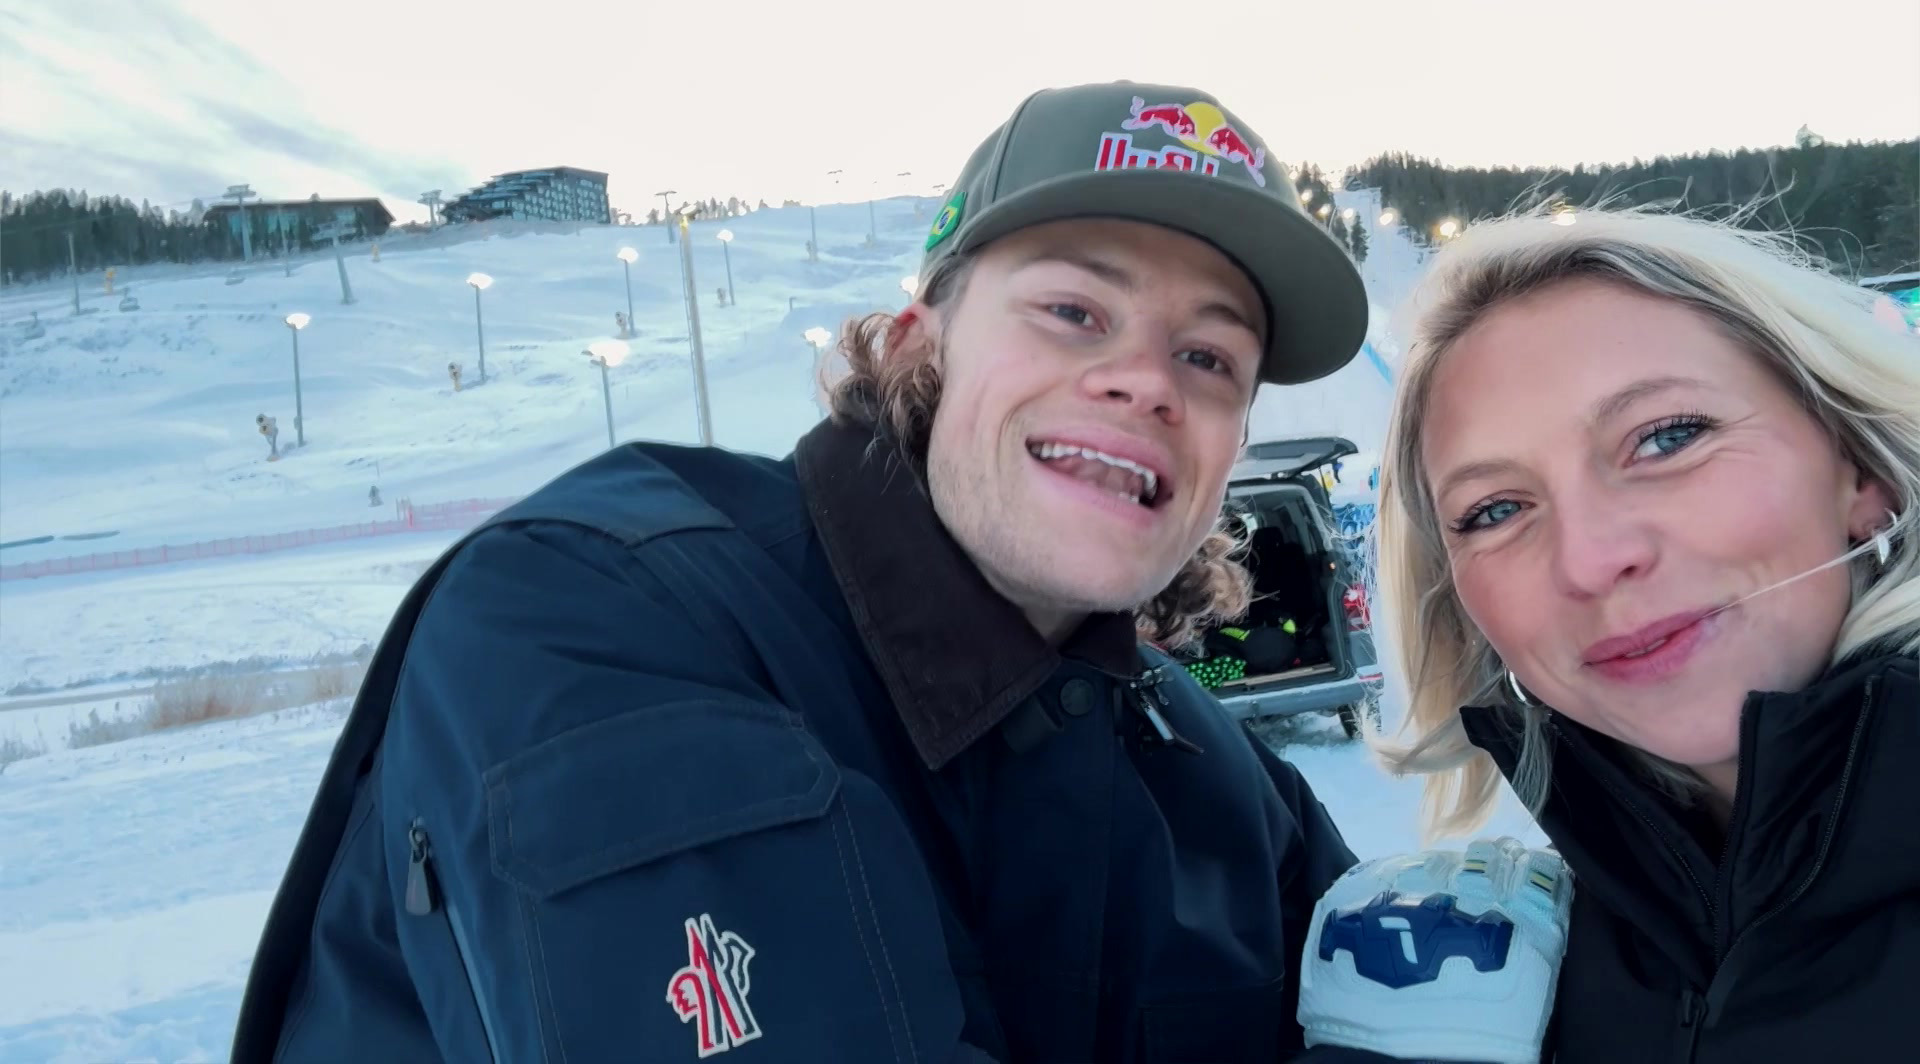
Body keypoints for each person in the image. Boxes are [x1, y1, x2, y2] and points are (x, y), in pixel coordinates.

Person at [230, 81, 1562, 1064]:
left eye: (1209, 357)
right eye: (1073, 311)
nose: (1146, 380)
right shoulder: (600, 617)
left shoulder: (1208, 779)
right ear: (920, 346)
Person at [1369, 206, 1918, 1060]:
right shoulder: (1515, 983)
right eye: (1497, 510)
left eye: (1667, 438)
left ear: (1863, 473)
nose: (1589, 561)